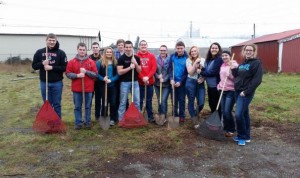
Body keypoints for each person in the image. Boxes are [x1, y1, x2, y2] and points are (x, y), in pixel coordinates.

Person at [231, 44, 263, 146]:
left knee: (238, 114)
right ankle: (247, 136)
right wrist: (233, 69)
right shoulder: (243, 63)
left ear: (254, 51)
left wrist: (246, 91)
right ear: (244, 51)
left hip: (245, 93)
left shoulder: (256, 63)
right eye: (246, 50)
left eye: (250, 50)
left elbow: (257, 80)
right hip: (237, 91)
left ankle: (242, 136)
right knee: (244, 114)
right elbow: (237, 76)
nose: (248, 52)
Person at [32, 33, 68, 119]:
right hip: (44, 82)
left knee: (57, 104)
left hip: (57, 83)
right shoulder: (40, 52)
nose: (52, 42)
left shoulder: (61, 53)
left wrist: (51, 67)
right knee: (47, 103)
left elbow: (64, 67)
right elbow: (34, 66)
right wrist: (42, 63)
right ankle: (49, 122)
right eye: (50, 40)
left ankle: (57, 123)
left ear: (56, 41)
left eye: (53, 40)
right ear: (46, 41)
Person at [66, 42, 97, 130]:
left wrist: (86, 72)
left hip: (88, 89)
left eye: (83, 50)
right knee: (77, 106)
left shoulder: (91, 62)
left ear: (86, 50)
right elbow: (68, 73)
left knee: (87, 106)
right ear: (77, 50)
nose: (82, 51)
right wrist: (77, 75)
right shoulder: (72, 62)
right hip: (77, 89)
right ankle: (78, 122)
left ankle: (87, 122)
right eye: (80, 49)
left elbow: (95, 74)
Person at [117, 40, 142, 121]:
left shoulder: (137, 58)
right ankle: (121, 119)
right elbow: (119, 72)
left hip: (135, 82)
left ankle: (137, 118)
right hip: (124, 82)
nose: (128, 49)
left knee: (137, 101)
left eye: (129, 47)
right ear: (124, 48)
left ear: (132, 48)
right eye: (126, 47)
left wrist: (136, 64)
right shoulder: (121, 58)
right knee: (123, 102)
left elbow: (139, 71)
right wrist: (129, 68)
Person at [217, 51, 238, 137]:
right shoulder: (223, 65)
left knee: (227, 111)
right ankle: (226, 128)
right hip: (222, 90)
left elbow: (237, 78)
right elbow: (222, 77)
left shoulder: (234, 65)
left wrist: (230, 76)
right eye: (223, 56)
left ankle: (231, 129)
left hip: (231, 90)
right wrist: (219, 85)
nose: (224, 57)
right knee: (223, 110)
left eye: (226, 55)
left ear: (230, 56)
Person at [96, 47, 119, 126]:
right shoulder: (100, 62)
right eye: (107, 52)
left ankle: (112, 118)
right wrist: (103, 78)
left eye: (110, 52)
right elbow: (96, 73)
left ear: (112, 53)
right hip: (103, 86)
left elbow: (117, 75)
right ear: (105, 53)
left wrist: (111, 80)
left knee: (113, 102)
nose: (108, 53)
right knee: (105, 101)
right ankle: (104, 116)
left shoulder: (115, 62)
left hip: (112, 86)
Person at [136, 40, 157, 122]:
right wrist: (142, 78)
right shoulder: (136, 56)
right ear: (139, 46)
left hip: (149, 82)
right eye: (142, 45)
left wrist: (147, 77)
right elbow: (137, 70)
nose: (143, 46)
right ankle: (139, 116)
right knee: (140, 100)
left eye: (145, 44)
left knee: (149, 100)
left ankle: (150, 116)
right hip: (140, 83)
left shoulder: (151, 56)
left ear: (147, 46)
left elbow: (154, 68)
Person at [200, 42, 223, 114]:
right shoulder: (209, 60)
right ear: (210, 49)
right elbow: (208, 70)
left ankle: (218, 120)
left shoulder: (219, 59)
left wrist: (200, 72)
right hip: (210, 86)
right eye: (212, 48)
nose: (214, 49)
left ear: (219, 49)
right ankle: (214, 119)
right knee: (211, 103)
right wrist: (202, 68)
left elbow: (213, 72)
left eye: (216, 48)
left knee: (217, 105)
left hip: (216, 86)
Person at [185, 46, 205, 124]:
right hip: (190, 82)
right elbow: (190, 72)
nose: (193, 52)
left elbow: (206, 71)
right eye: (192, 51)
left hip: (200, 82)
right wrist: (195, 64)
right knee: (191, 101)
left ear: (198, 51)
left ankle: (196, 114)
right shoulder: (188, 60)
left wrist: (203, 78)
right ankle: (194, 118)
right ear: (190, 53)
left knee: (201, 103)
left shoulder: (203, 60)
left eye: (195, 51)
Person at [169, 41, 188, 123]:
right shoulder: (172, 56)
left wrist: (180, 81)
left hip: (182, 83)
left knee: (182, 100)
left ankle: (182, 116)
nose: (179, 50)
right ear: (176, 48)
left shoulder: (187, 57)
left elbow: (187, 72)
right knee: (174, 99)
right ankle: (175, 114)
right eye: (178, 48)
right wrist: (171, 79)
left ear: (184, 48)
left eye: (181, 48)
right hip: (173, 81)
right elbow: (170, 69)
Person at [154, 45, 171, 122]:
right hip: (157, 84)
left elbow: (170, 71)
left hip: (166, 84)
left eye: (164, 50)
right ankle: (160, 113)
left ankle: (163, 115)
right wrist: (158, 76)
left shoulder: (170, 59)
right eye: (161, 50)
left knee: (163, 100)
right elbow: (153, 70)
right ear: (159, 50)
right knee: (159, 99)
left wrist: (164, 79)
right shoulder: (155, 58)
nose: (163, 52)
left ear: (166, 51)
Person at [89, 42, 102, 121]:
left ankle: (97, 116)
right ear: (92, 49)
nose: (95, 49)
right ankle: (88, 116)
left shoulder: (103, 58)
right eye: (93, 47)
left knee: (98, 100)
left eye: (96, 47)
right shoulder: (88, 58)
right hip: (91, 82)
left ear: (99, 48)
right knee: (89, 99)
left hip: (99, 82)